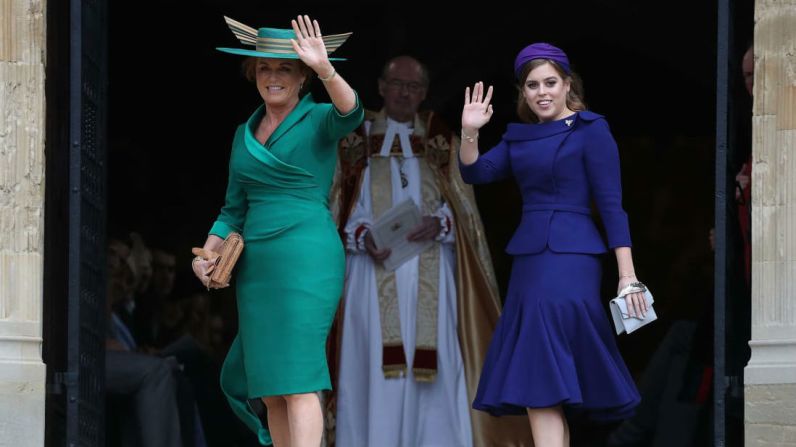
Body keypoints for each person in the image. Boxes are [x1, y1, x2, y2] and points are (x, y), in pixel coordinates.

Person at [330, 56, 532, 446]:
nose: (405, 92)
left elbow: (465, 211)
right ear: (381, 86)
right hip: (368, 276)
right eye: (397, 83)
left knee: (435, 368)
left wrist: (440, 221)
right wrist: (358, 233)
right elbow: (336, 203)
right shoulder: (353, 139)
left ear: (424, 93)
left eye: (414, 86)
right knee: (368, 365)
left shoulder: (442, 140)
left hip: (432, 271)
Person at [458, 43, 646, 446]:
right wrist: (470, 131)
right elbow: (476, 173)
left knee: (541, 366)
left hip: (573, 259)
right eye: (532, 85)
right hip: (530, 260)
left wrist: (626, 276)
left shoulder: (592, 130)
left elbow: (612, 206)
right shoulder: (518, 137)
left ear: (567, 84)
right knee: (539, 377)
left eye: (550, 82)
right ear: (522, 93)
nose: (542, 92)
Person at [191, 15, 363, 447]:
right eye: (265, 68)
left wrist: (327, 68)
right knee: (270, 389)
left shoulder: (320, 118)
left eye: (284, 68)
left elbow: (352, 111)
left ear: (302, 76)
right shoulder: (242, 134)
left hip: (306, 258)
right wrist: (206, 255)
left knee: (299, 378)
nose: (273, 77)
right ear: (253, 73)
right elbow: (233, 209)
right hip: (257, 268)